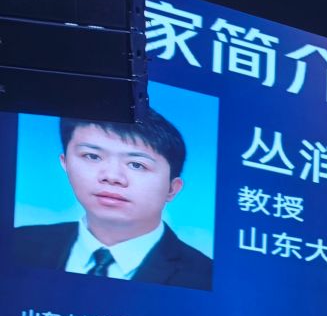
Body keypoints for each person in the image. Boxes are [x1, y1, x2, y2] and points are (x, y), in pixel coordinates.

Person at [14, 107, 212, 289]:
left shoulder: (204, 277)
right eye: (92, 156)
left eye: (136, 165)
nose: (112, 177)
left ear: (172, 189)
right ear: (65, 163)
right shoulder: (15, 244)